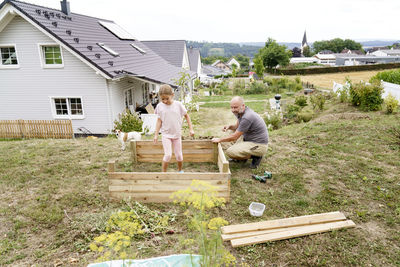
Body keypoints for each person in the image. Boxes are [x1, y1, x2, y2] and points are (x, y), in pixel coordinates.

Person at [212, 96, 269, 169]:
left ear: (243, 106)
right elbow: (236, 127)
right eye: (231, 107)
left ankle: (256, 156)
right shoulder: (241, 113)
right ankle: (242, 157)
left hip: (258, 144)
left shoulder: (247, 117)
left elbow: (235, 137)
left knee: (230, 152)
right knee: (226, 139)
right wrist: (229, 126)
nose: (233, 110)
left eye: (235, 107)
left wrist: (219, 139)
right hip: (248, 139)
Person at [154, 84, 194, 172]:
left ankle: (180, 170)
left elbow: (187, 116)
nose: (164, 101)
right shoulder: (159, 106)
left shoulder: (178, 105)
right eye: (162, 99)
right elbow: (159, 121)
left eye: (166, 98)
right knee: (167, 155)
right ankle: (163, 173)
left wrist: (191, 129)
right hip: (166, 135)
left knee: (179, 155)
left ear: (172, 95)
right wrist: (156, 135)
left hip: (177, 135)